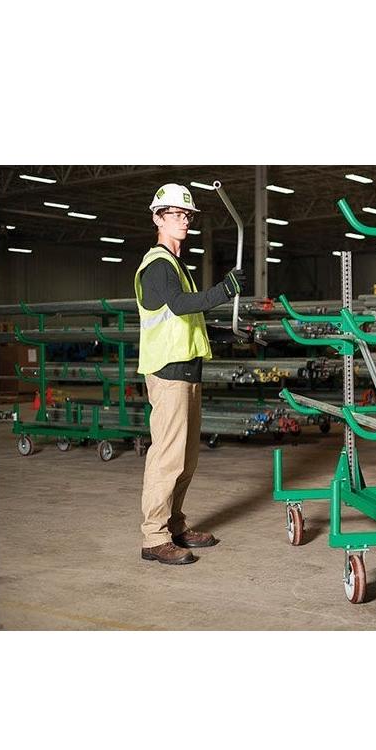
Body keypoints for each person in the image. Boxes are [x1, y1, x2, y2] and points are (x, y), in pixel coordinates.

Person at [135, 183, 246, 565]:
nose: (183, 220)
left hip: (187, 370)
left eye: (187, 215)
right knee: (167, 458)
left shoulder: (178, 266)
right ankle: (154, 537)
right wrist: (224, 290)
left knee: (185, 459)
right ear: (158, 218)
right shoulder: (158, 265)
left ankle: (174, 525)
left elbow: (184, 320)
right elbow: (181, 305)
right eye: (176, 214)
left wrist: (228, 333)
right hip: (168, 373)